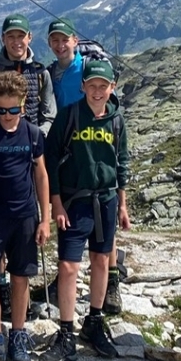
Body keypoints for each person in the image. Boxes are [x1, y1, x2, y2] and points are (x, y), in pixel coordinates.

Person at [40, 59, 130, 361]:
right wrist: (56, 203)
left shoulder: (117, 121)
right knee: (67, 266)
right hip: (74, 201)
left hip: (105, 200)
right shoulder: (69, 116)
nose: (97, 91)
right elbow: (50, 160)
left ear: (111, 88)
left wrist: (122, 204)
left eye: (102, 86)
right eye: (91, 85)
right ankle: (66, 331)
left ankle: (94, 321)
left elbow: (122, 163)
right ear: (83, 87)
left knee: (102, 261)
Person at [46, 18, 124, 316]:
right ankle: (72, 288)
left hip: (96, 147)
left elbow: (109, 106)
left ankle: (111, 283)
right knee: (79, 228)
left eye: (64, 39)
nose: (60, 44)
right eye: (54, 40)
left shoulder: (88, 65)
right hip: (70, 148)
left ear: (74, 40)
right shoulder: (53, 72)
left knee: (103, 229)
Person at [0, 72, 49, 361]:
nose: (7, 116)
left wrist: (44, 220)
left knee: (21, 276)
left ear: (23, 104)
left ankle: (17, 334)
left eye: (13, 109)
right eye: (1, 110)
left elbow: (41, 175)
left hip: (25, 215)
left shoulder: (33, 134)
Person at [0, 13, 56, 134]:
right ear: (3, 38)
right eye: (11, 37)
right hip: (0, 143)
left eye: (20, 36)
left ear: (30, 37)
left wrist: (38, 137)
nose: (16, 41)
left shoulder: (41, 73)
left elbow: (49, 116)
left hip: (33, 145)